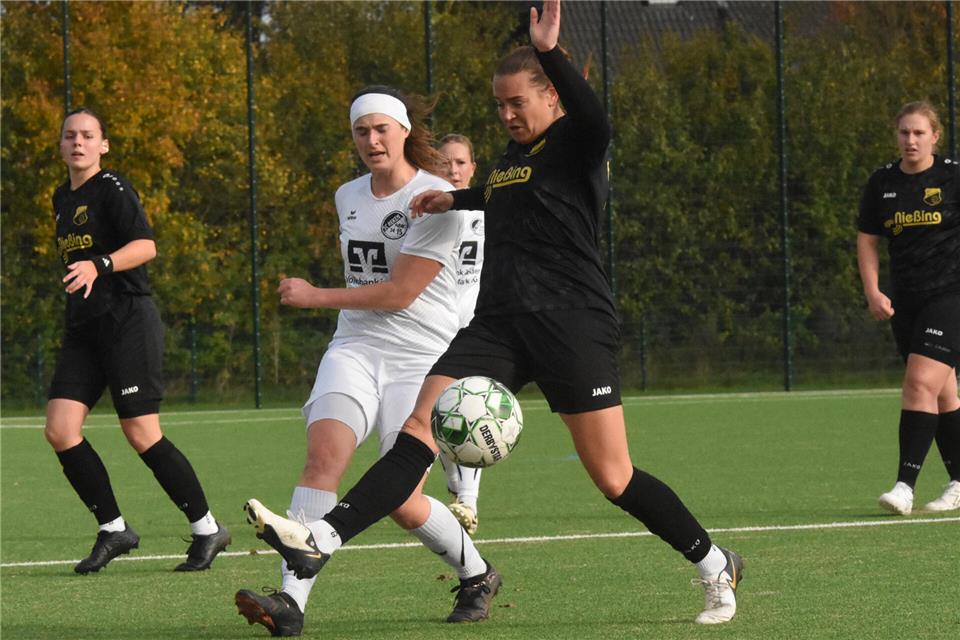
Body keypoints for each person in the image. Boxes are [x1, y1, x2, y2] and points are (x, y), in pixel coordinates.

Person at [243, 0, 742, 626]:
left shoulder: (577, 142)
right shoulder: (510, 158)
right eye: (499, 105)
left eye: (518, 104)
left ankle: (714, 562)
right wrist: (453, 196)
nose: (507, 115)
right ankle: (322, 539)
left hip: (571, 324)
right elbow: (506, 194)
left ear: (551, 100)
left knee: (614, 477)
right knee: (416, 432)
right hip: (498, 324)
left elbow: (594, 115)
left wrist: (554, 55)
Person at [235, 87, 498, 637]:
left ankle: (476, 574)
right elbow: (368, 287)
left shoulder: (438, 197)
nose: (372, 140)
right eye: (361, 131)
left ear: (404, 131)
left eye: (382, 129)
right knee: (321, 459)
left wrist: (313, 296)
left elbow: (401, 293)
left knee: (403, 502)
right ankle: (290, 602)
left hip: (424, 357)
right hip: (355, 347)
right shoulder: (347, 195)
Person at [46, 107, 230, 574]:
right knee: (60, 430)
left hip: (128, 321)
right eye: (71, 136)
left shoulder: (112, 189)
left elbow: (146, 246)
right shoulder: (60, 198)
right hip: (85, 329)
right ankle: (113, 529)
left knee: (141, 432)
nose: (79, 143)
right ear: (61, 144)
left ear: (103, 145)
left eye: (88, 136)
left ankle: (208, 528)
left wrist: (100, 264)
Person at [857, 100, 960, 515]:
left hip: (951, 297)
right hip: (907, 302)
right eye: (904, 133)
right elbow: (867, 239)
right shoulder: (882, 182)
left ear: (935, 136)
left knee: (919, 383)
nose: (911, 140)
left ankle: (904, 485)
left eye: (919, 133)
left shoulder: (953, 177)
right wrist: (873, 291)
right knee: (942, 392)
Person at [436, 133, 485, 534]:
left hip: (475, 324)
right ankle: (458, 494)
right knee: (435, 414)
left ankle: (466, 502)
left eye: (459, 162)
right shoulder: (428, 211)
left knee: (465, 408)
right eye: (444, 163)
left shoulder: (491, 209)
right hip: (431, 325)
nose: (452, 170)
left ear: (473, 167)